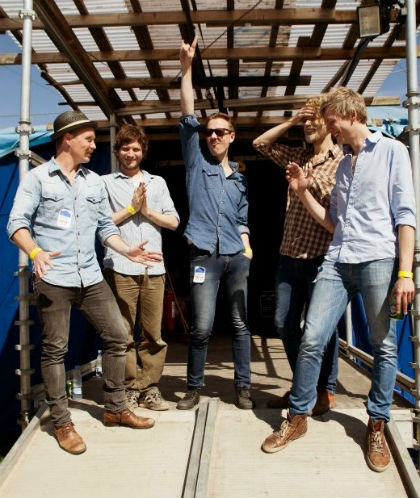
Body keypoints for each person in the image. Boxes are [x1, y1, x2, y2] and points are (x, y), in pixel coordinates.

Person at [261, 87, 416, 473]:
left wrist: (405, 273)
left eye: (331, 120)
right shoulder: (345, 165)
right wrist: (302, 192)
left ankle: (376, 424)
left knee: (383, 346)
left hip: (378, 260)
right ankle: (298, 417)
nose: (328, 127)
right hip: (337, 260)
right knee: (312, 337)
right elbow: (334, 223)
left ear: (349, 115)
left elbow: (406, 215)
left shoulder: (392, 151)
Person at [7, 111, 163, 455]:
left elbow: (105, 227)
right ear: (68, 138)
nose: (94, 145)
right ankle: (62, 422)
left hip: (90, 276)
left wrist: (127, 250)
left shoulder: (93, 182)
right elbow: (16, 223)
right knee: (55, 350)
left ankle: (115, 408)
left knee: (117, 336)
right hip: (54, 277)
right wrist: (35, 252)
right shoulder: (37, 179)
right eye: (89, 139)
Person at [177, 36, 254, 410]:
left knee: (240, 325)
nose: (213, 136)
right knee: (202, 327)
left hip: (237, 257)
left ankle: (243, 387)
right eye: (209, 132)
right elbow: (188, 114)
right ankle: (194, 388)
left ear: (232, 136)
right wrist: (186, 69)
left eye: (220, 131)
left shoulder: (239, 178)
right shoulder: (196, 161)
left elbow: (242, 217)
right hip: (204, 256)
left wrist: (247, 249)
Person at [253, 97, 343, 415]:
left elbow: (333, 200)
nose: (308, 125)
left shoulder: (341, 160)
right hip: (289, 256)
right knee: (283, 323)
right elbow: (260, 144)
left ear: (327, 122)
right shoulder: (299, 156)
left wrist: (307, 183)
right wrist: (291, 121)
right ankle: (303, 385)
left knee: (322, 328)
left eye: (312, 118)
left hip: (320, 257)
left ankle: (325, 390)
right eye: (304, 120)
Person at [102, 124, 179, 411]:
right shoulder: (105, 183)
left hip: (153, 268)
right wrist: (131, 209)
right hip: (120, 265)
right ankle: (129, 387)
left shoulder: (157, 182)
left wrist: (147, 211)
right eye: (125, 148)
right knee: (122, 334)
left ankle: (149, 388)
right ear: (117, 151)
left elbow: (173, 221)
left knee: (153, 335)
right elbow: (100, 221)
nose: (130, 153)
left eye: (135, 148)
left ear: (143, 151)